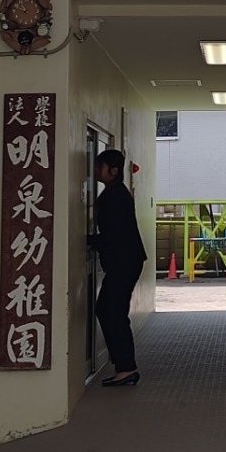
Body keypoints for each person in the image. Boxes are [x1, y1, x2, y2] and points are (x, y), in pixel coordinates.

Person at [87, 149, 146, 386]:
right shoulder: (114, 193)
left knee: (112, 312)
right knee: (108, 310)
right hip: (124, 261)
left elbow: (115, 234)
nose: (95, 170)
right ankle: (123, 365)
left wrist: (91, 241)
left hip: (124, 262)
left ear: (113, 171)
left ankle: (126, 367)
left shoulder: (116, 196)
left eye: (99, 166)